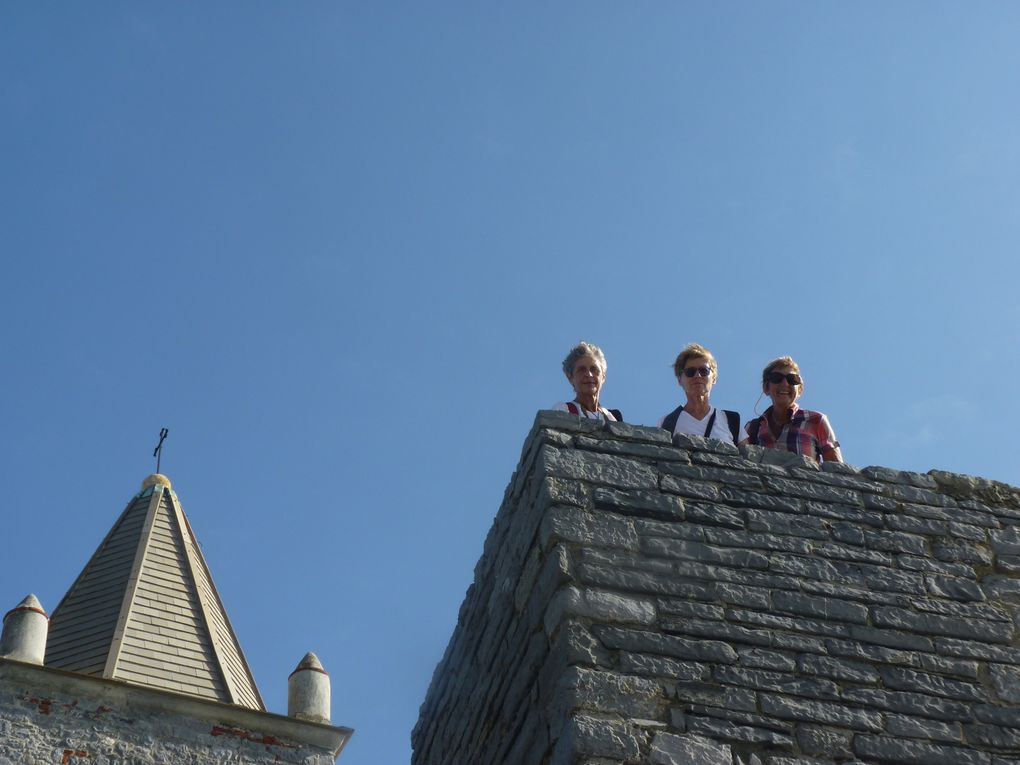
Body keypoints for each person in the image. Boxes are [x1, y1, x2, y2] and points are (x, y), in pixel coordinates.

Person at [740, 356, 842, 463]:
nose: (785, 384)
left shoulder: (816, 421)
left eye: (792, 379)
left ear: (800, 389)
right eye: (776, 378)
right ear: (766, 388)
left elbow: (837, 470)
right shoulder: (753, 428)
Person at [658, 343, 740, 442]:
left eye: (704, 371)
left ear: (714, 378)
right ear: (680, 380)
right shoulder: (666, 423)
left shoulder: (731, 421)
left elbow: (746, 455)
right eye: (690, 372)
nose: (697, 376)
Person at [551, 341, 622, 422]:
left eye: (594, 369)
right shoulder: (563, 410)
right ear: (570, 378)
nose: (589, 374)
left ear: (603, 377)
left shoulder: (613, 417)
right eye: (581, 370)